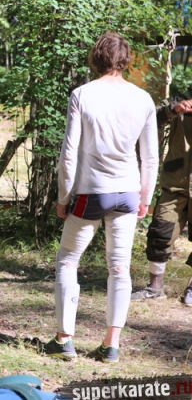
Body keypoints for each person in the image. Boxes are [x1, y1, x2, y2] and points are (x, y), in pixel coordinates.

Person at [41, 32, 159, 363]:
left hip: (91, 191)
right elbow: (150, 157)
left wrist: (64, 196)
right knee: (119, 267)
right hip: (128, 193)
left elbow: (69, 152)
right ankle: (111, 345)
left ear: (96, 58)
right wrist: (145, 197)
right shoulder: (143, 98)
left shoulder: (83, 94)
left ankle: (64, 339)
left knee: (68, 260)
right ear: (126, 60)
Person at [130, 85, 192, 306]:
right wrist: (173, 110)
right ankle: (155, 288)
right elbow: (151, 117)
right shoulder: (182, 98)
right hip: (174, 184)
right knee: (160, 233)